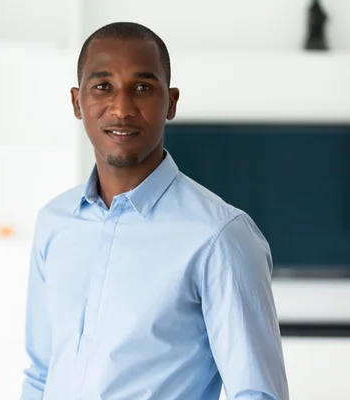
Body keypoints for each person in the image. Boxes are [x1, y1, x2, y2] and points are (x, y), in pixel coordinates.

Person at [20, 21, 289, 400]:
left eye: (142, 88)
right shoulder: (55, 222)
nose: (121, 108)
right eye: (103, 87)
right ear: (77, 102)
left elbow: (258, 393)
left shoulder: (220, 236)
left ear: (171, 102)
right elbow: (41, 372)